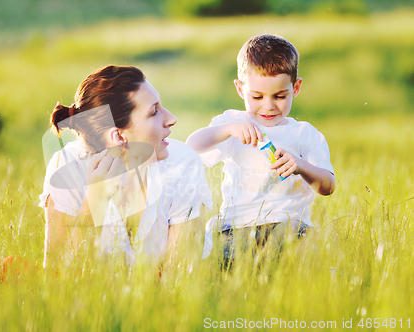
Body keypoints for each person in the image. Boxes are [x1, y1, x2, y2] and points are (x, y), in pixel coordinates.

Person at [39, 65, 212, 269]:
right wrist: (94, 199)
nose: (171, 119)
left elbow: (179, 275)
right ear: (119, 136)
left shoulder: (182, 163)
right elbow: (60, 275)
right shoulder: (68, 167)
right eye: (154, 112)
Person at [186, 34, 335, 261]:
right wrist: (227, 130)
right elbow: (192, 147)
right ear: (240, 89)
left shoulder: (304, 134)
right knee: (220, 263)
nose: (268, 106)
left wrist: (301, 166)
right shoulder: (233, 123)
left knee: (296, 253)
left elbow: (328, 185)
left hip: (288, 223)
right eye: (257, 96)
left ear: (296, 88)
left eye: (280, 96)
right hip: (236, 225)